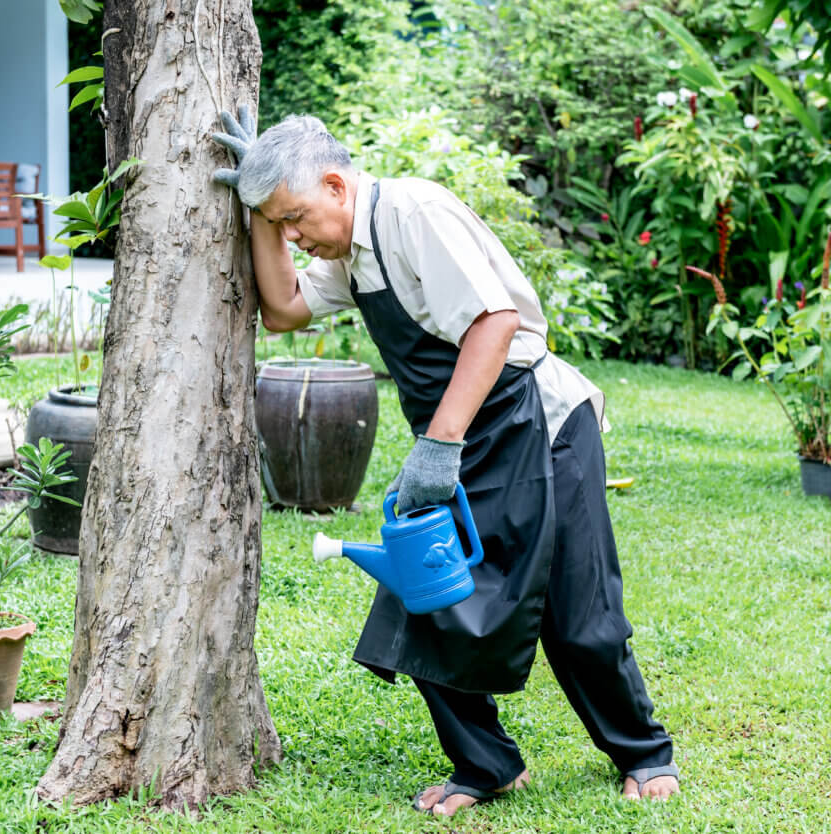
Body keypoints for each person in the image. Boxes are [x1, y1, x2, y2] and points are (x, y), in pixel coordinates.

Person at [213, 108, 679, 816]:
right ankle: (489, 764)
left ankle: (643, 753)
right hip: (461, 435)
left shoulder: (412, 214)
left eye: (296, 217)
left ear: (337, 186)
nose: (293, 236)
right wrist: (258, 202)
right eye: (282, 224)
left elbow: (496, 325)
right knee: (422, 592)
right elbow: (283, 307)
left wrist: (439, 446)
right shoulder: (350, 253)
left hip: (539, 423)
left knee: (576, 610)